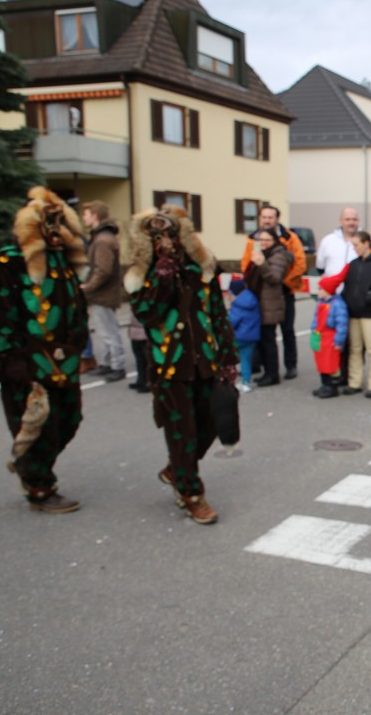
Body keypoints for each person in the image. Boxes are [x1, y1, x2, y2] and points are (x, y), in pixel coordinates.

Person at [124, 204, 239, 525]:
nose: (169, 243)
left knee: (214, 420)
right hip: (169, 367)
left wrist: (229, 358)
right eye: (162, 237)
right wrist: (162, 277)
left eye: (173, 236)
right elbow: (146, 316)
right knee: (182, 433)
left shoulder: (201, 268)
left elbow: (218, 314)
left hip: (206, 361)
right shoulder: (141, 274)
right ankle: (191, 494)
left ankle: (177, 470)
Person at [0, 187, 90, 513]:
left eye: (61, 223)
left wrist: (79, 341)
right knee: (37, 424)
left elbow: (76, 305)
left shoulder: (64, 260)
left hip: (63, 360)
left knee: (69, 419)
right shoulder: (7, 261)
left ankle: (29, 463)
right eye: (50, 222)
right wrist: (12, 361)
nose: (58, 231)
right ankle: (39, 487)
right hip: (26, 362)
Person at [239, 206, 305, 380]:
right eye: (264, 217)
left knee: (287, 330)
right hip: (261, 293)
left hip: (283, 290)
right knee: (261, 330)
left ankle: (290, 365)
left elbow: (299, 264)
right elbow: (246, 263)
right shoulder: (253, 239)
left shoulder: (290, 238)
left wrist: (282, 282)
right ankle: (258, 364)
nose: (267, 220)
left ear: (277, 219)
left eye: (271, 217)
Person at [78, 200, 127, 383]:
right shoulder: (101, 238)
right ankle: (107, 363)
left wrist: (87, 287)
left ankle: (117, 365)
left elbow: (103, 270)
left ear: (95, 216)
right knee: (103, 329)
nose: (84, 217)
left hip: (104, 293)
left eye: (86, 214)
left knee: (109, 330)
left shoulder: (102, 241)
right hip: (103, 292)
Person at [341, 232, 371, 398]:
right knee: (355, 349)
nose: (354, 248)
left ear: (366, 243)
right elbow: (347, 287)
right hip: (353, 313)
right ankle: (354, 383)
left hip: (370, 313)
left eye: (356, 244)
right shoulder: (353, 264)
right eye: (353, 245)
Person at [244, 228, 293, 388]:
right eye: (260, 240)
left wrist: (261, 264)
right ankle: (266, 372)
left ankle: (272, 374)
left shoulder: (279, 256)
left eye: (267, 240)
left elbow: (275, 277)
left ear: (274, 241)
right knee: (261, 341)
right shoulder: (261, 254)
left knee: (268, 341)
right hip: (258, 303)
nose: (263, 243)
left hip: (270, 304)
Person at [310, 266, 349, 399]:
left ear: (328, 290)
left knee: (331, 364)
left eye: (320, 289)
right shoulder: (320, 302)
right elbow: (316, 319)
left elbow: (342, 325)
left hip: (330, 339)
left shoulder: (338, 305)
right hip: (320, 338)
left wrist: (338, 341)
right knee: (321, 363)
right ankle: (324, 384)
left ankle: (332, 387)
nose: (318, 291)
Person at [227, 278, 260, 394]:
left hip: (239, 336)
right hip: (252, 336)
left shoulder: (238, 304)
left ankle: (227, 379)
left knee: (228, 357)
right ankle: (246, 382)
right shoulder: (252, 300)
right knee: (246, 359)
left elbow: (232, 322)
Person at [316, 207, 359, 278]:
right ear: (340, 221)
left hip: (358, 289)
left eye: (354, 219)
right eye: (347, 219)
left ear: (358, 221)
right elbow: (320, 267)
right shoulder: (328, 240)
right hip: (333, 288)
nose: (351, 223)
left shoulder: (367, 241)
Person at [127, 310, 149, 393]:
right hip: (135, 328)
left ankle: (148, 381)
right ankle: (141, 380)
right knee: (139, 358)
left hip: (144, 328)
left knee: (146, 358)